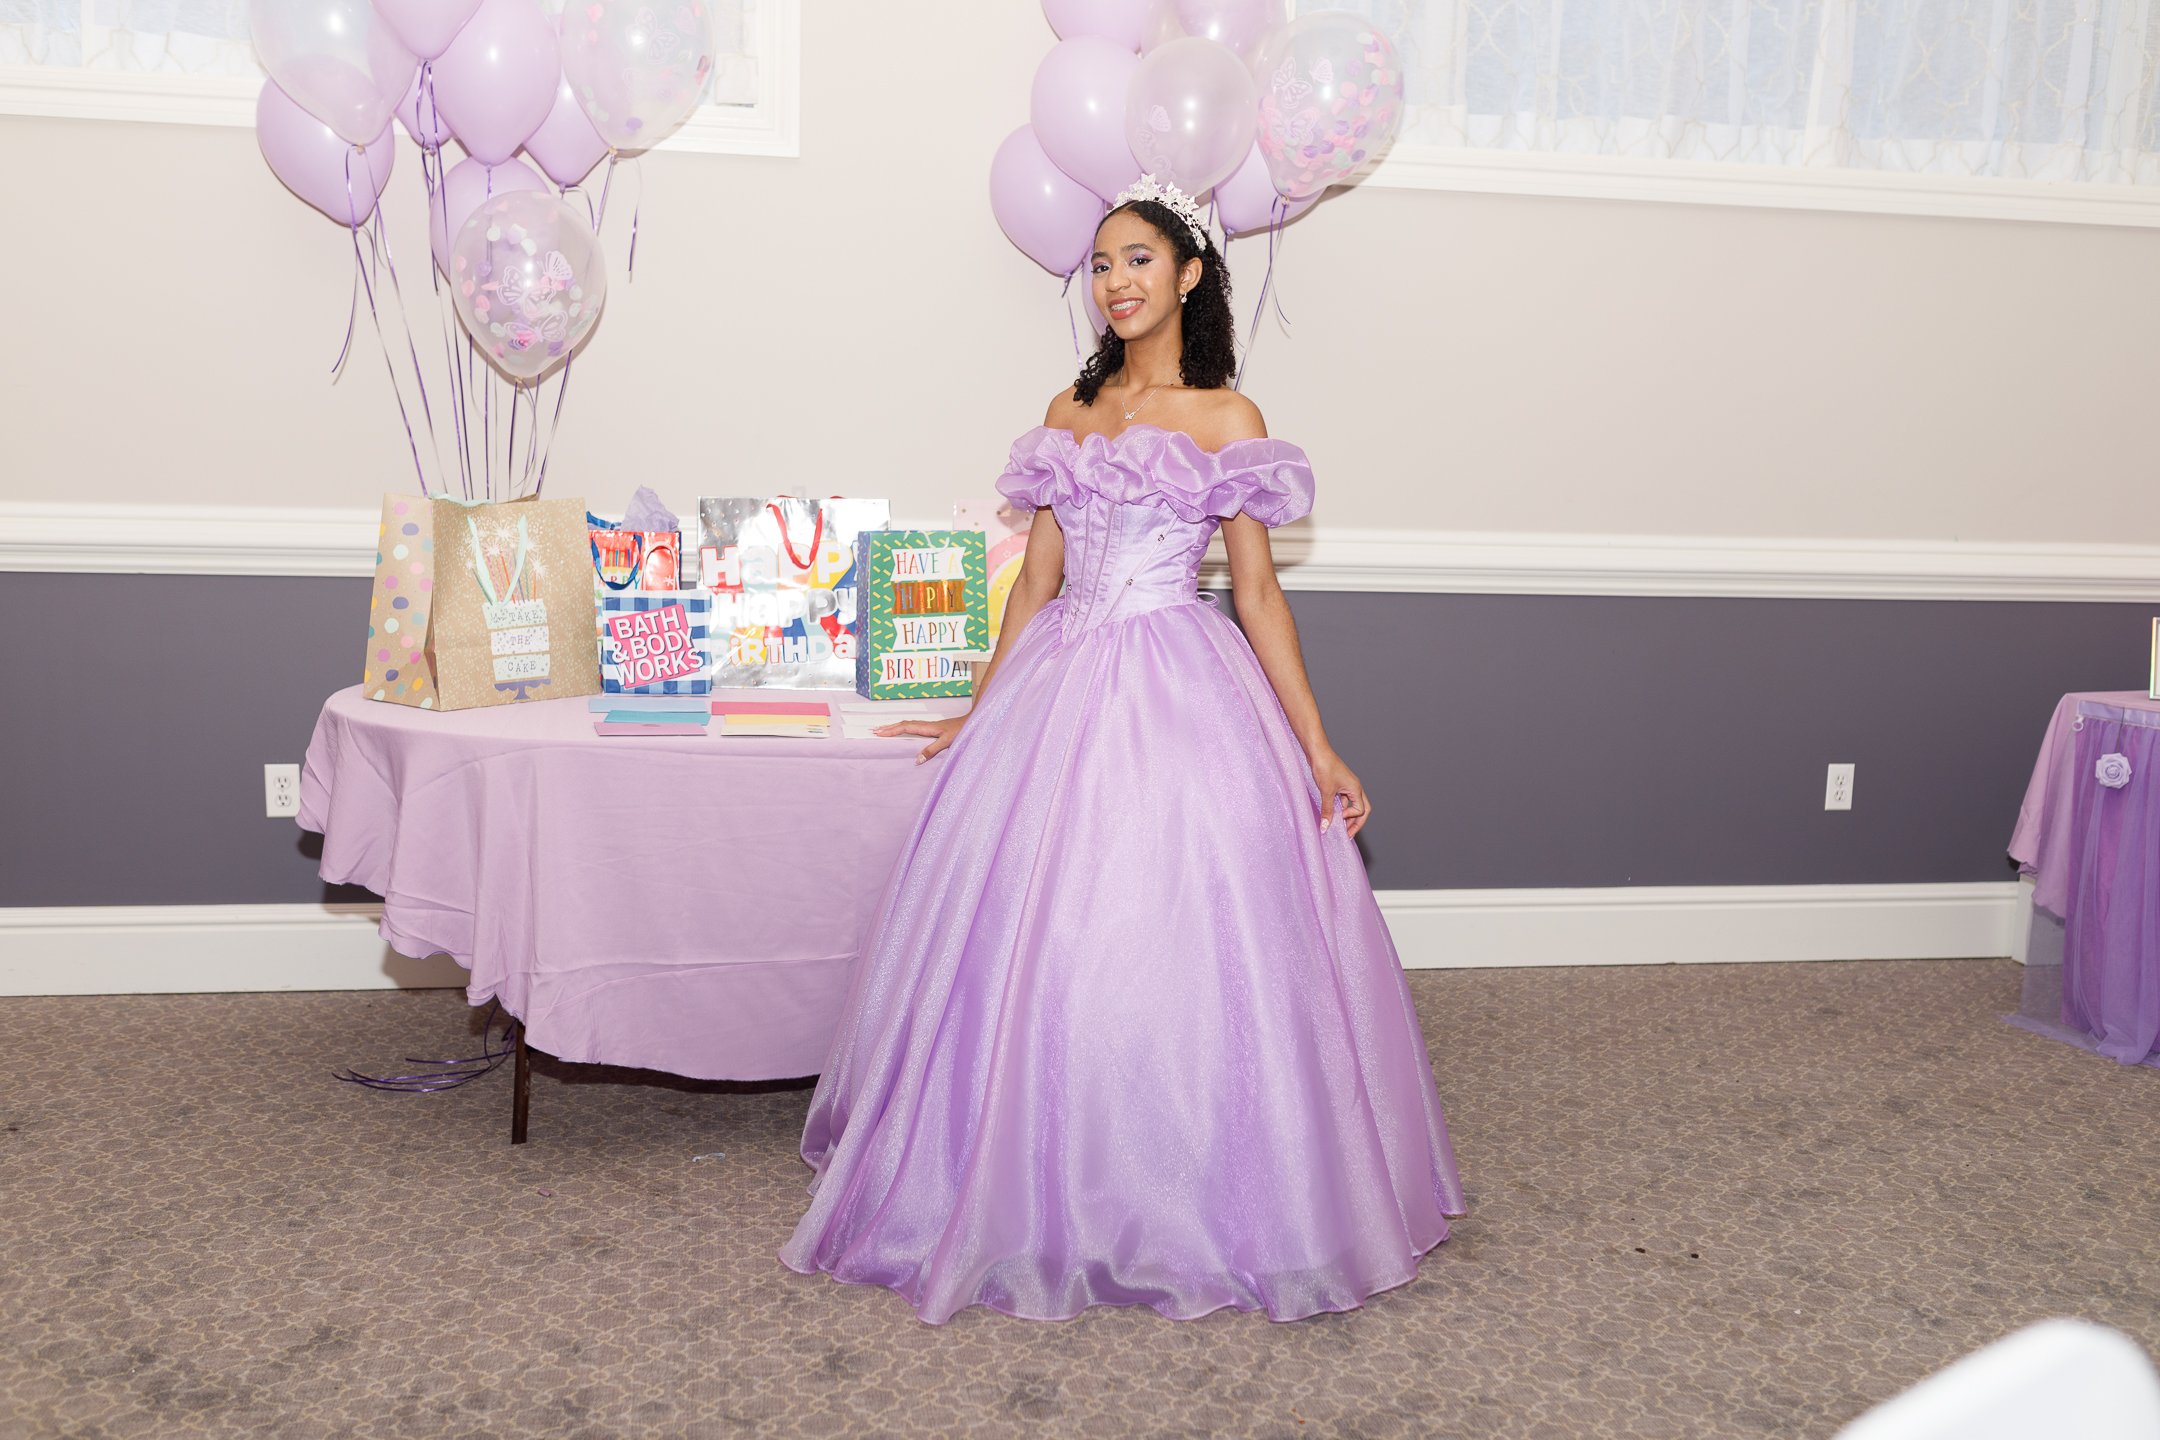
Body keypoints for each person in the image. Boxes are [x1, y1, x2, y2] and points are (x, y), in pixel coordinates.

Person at [779, 175, 1464, 1323]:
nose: (1116, 283)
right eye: (1100, 266)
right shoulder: (1068, 408)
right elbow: (1036, 581)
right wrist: (984, 706)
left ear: (1189, 274)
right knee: (1022, 928)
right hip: (1057, 685)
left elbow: (1256, 592)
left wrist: (1319, 747)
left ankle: (1193, 1193)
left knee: (1170, 931)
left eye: (1138, 260)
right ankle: (1012, 1181)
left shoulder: (1228, 419)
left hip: (1175, 685)